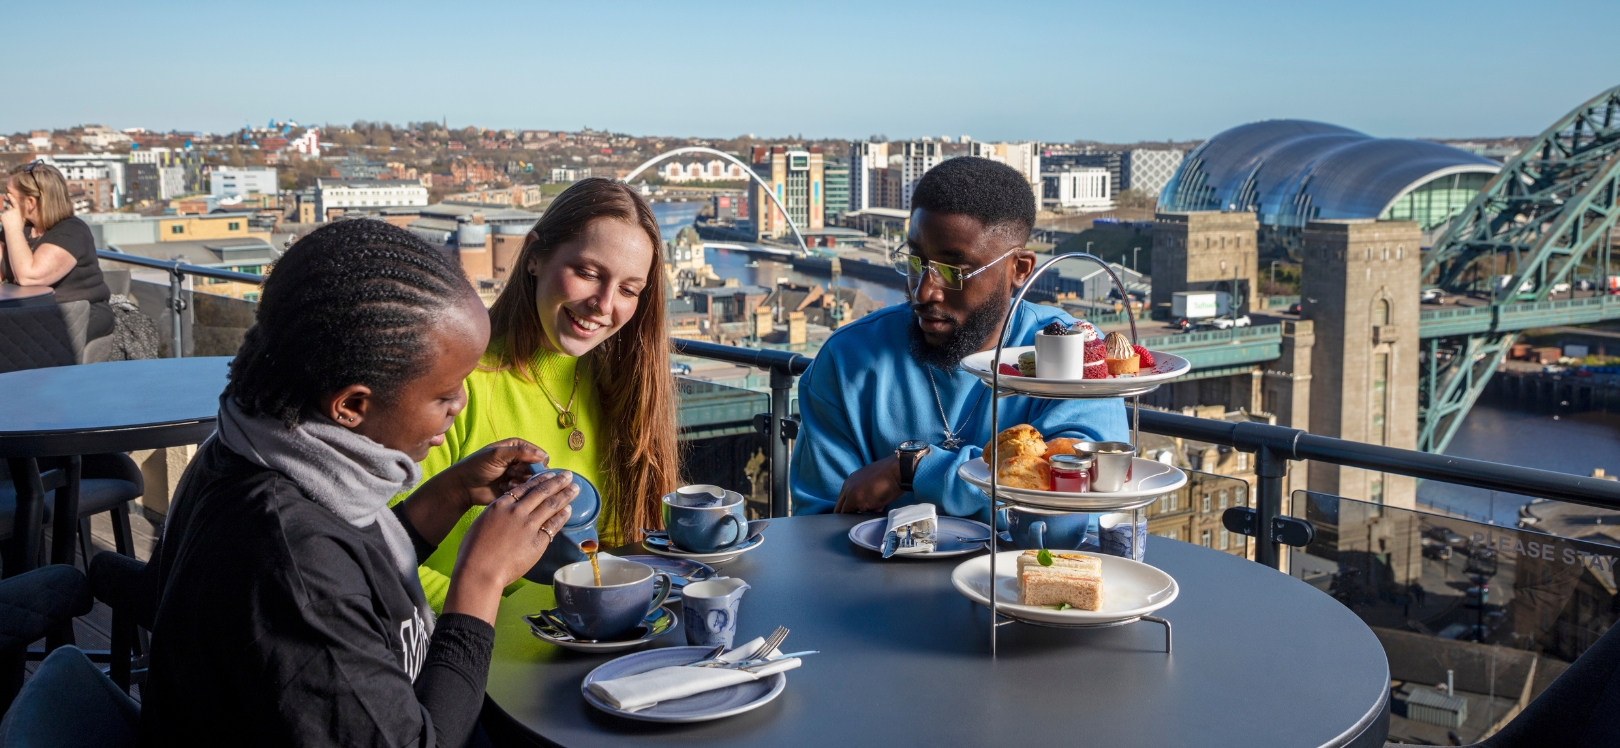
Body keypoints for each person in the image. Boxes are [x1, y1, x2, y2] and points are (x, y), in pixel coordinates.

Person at [140, 220, 575, 747]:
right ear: (350, 406)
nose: (459, 407)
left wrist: (453, 492)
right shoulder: (289, 563)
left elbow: (354, 568)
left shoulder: (259, 451)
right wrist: (481, 578)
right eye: (444, 395)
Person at [791, 157, 1128, 520]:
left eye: (954, 271)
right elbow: (822, 523)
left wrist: (913, 469)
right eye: (916, 262)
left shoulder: (1074, 353)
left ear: (1019, 269)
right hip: (878, 577)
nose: (924, 293)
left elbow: (1076, 504)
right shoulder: (847, 359)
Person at [402, 177, 680, 612]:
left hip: (587, 644)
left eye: (628, 290)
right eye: (588, 273)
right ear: (534, 257)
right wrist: (505, 619)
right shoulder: (456, 383)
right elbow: (376, 555)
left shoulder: (622, 386)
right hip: (470, 651)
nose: (604, 304)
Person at [1, 161, 114, 342]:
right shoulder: (23, 228)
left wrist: (13, 230)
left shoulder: (71, 231)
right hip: (27, 315)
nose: (5, 199)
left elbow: (30, 277)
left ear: (30, 202)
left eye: (9, 195)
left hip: (77, 315)